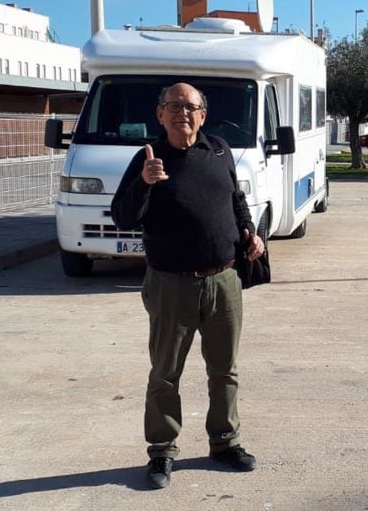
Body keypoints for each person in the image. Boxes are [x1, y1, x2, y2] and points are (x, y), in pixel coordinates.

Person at [111, 82, 265, 489]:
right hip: (170, 285)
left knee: (225, 371)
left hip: (225, 280)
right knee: (165, 373)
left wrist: (251, 232)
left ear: (203, 114)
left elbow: (235, 200)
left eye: (191, 106)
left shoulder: (218, 150)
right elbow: (122, 217)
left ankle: (225, 442)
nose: (183, 112)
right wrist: (144, 182)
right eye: (173, 106)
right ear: (159, 114)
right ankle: (162, 451)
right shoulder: (147, 158)